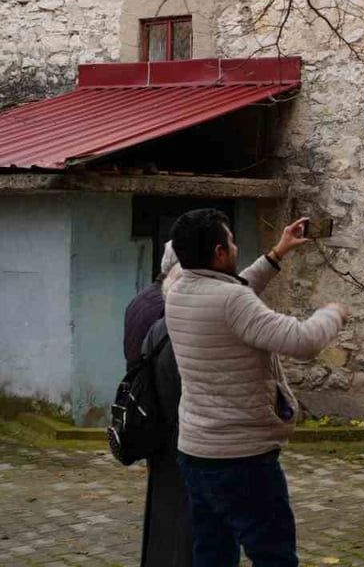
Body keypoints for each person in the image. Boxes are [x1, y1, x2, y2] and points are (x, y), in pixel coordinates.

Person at [166, 209, 347, 566]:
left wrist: (278, 252)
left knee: (212, 553)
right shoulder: (231, 302)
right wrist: (333, 313)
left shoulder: (178, 291)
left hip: (196, 452)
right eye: (232, 242)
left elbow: (233, 290)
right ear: (219, 252)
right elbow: (303, 341)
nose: (236, 247)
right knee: (273, 555)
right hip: (242, 458)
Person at [124, 242, 192, 567]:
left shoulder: (139, 300)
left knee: (162, 505)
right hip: (169, 418)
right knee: (181, 510)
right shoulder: (169, 306)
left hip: (147, 413)